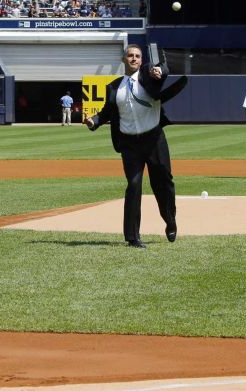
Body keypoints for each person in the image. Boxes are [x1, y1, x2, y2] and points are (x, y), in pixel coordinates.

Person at [85, 44, 186, 249]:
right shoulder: (114, 87)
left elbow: (162, 70)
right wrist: (94, 120)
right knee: (133, 185)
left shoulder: (148, 76)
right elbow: (106, 112)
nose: (134, 58)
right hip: (129, 143)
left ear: (141, 60)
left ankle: (170, 220)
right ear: (123, 59)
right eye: (130, 55)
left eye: (137, 56)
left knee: (163, 182)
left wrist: (161, 71)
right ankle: (132, 236)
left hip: (154, 139)